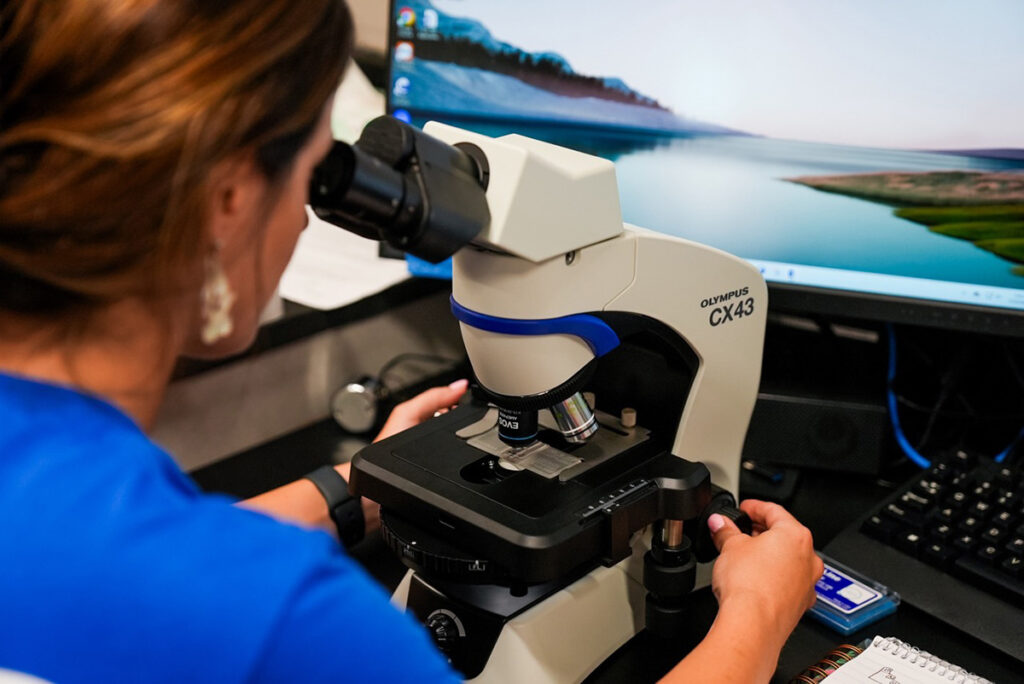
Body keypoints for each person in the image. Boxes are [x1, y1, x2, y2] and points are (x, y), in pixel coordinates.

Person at [0, 1, 822, 682]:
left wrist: (350, 489)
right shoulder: (295, 626)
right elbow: (210, 594)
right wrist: (754, 618)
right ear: (225, 203)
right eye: (318, 174)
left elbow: (138, 559)